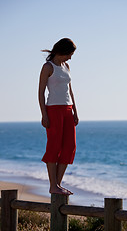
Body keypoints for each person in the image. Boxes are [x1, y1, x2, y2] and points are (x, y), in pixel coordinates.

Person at [38, 38, 79, 195]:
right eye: (69, 54)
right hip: (53, 110)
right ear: (62, 51)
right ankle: (53, 185)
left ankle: (58, 185)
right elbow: (40, 92)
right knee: (54, 146)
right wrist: (44, 114)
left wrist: (75, 111)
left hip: (68, 110)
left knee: (70, 146)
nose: (70, 58)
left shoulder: (66, 66)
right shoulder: (48, 67)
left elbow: (70, 91)